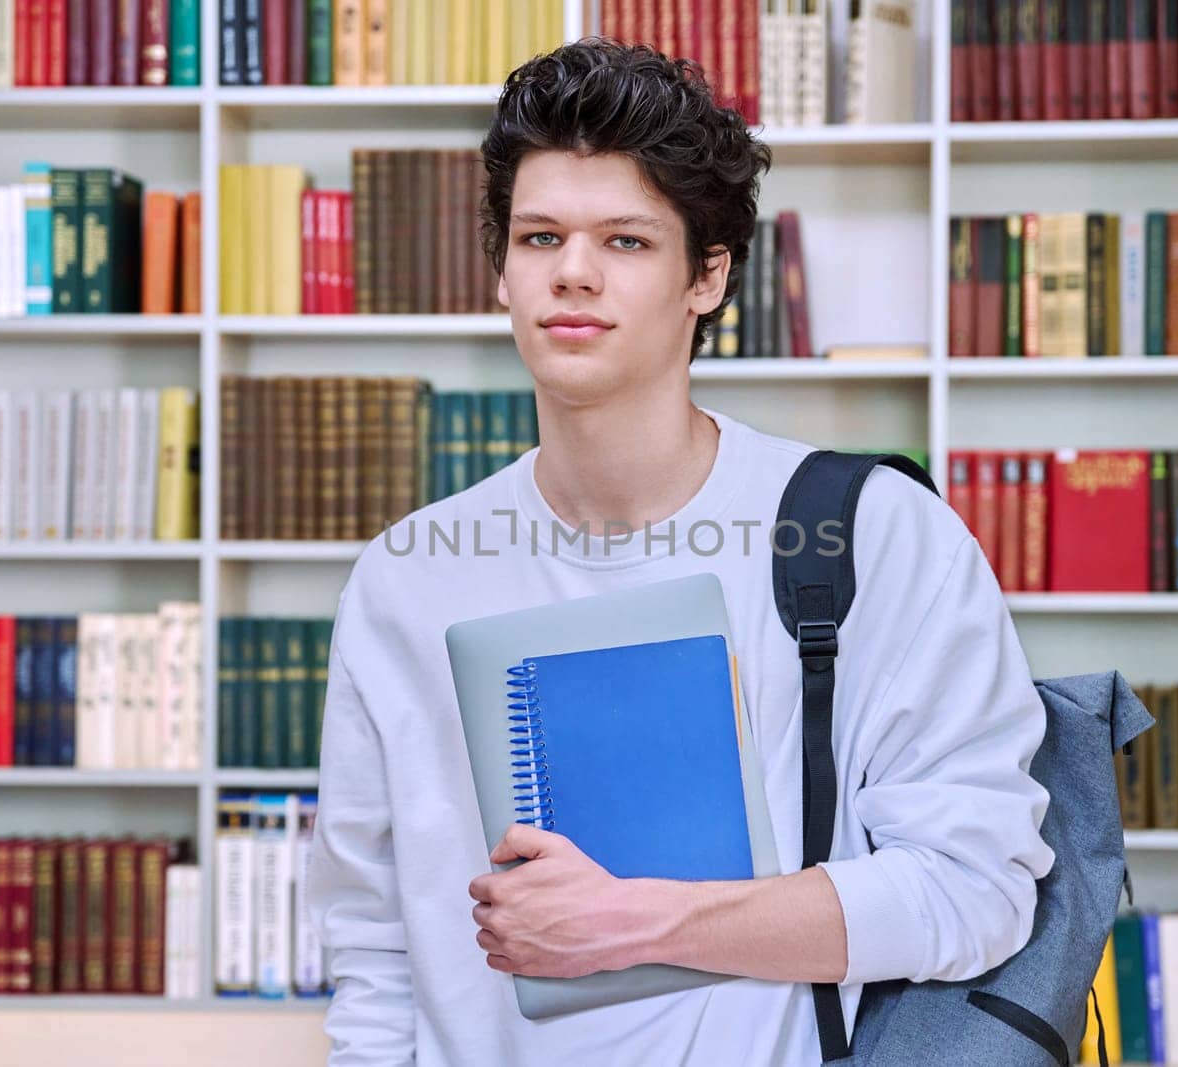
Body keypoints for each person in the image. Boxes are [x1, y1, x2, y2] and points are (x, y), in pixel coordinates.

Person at [308, 37, 1054, 1066]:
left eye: (624, 241)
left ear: (708, 276)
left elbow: (977, 886)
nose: (571, 273)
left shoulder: (871, 532)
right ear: (501, 268)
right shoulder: (405, 576)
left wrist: (641, 921)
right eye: (538, 237)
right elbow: (374, 938)